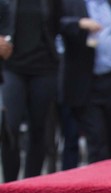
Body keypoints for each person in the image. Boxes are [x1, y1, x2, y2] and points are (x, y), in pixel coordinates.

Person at [60, 0, 111, 163]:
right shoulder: (70, 3)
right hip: (86, 83)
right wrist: (79, 23)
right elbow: (56, 24)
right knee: (97, 141)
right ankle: (97, 187)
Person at [0, 0, 62, 182]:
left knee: (39, 127)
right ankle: (10, 186)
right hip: (12, 66)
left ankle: (31, 183)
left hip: (44, 67)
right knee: (10, 125)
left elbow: (57, 24)